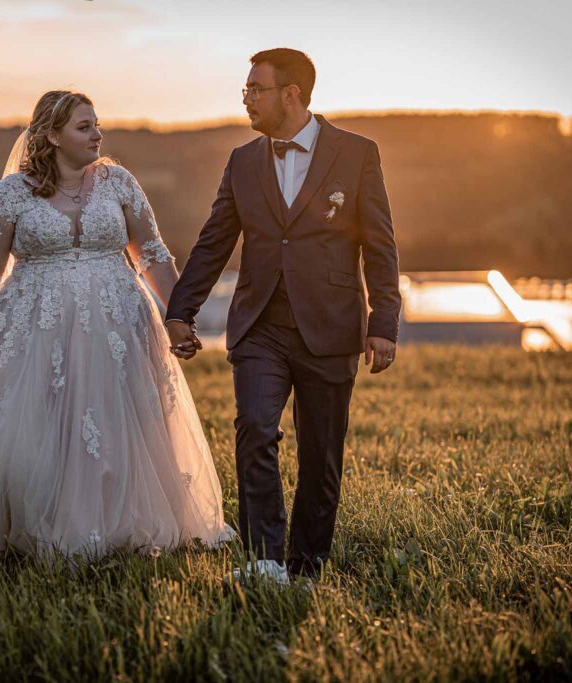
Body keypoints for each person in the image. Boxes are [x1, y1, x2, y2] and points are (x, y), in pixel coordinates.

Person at [0, 90, 235, 559]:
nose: (97, 134)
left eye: (96, 124)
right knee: (37, 429)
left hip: (116, 323)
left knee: (116, 423)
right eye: (84, 126)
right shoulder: (10, 194)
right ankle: (27, 529)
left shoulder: (119, 183)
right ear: (52, 136)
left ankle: (120, 528)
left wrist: (178, 317)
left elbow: (150, 253)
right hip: (34, 327)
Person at [165, 49, 402, 584]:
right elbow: (214, 240)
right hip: (260, 326)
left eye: (255, 88)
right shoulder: (242, 161)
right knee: (254, 428)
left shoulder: (358, 153)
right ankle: (264, 560)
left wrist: (382, 321)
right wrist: (182, 310)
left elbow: (380, 245)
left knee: (321, 455)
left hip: (332, 327)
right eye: (246, 89)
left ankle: (308, 564)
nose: (245, 98)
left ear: (290, 94)